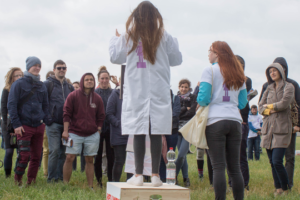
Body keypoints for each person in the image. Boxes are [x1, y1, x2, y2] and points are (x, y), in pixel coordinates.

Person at [109, 1, 182, 187]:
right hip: (158, 88)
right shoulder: (164, 36)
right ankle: (156, 175)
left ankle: (139, 174)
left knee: (138, 130)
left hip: (137, 88)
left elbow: (114, 56)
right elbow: (176, 59)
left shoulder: (129, 36)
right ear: (155, 16)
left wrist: (115, 38)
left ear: (136, 16)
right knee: (156, 130)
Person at [197, 41, 247, 200]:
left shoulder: (209, 70)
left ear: (217, 54)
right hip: (234, 120)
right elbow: (242, 102)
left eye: (210, 51)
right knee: (235, 168)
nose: (208, 54)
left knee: (218, 167)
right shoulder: (239, 73)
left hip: (215, 120)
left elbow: (203, 99)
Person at [258, 57, 300, 189]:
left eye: (276, 69)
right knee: (273, 161)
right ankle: (279, 188)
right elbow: (260, 107)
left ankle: (288, 186)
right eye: (271, 70)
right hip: (269, 128)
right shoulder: (267, 87)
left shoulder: (292, 85)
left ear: (283, 70)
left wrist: (298, 125)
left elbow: (290, 104)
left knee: (288, 158)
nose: (273, 72)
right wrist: (268, 110)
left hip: (287, 126)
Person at [8, 56, 50, 185]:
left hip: (39, 125)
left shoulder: (42, 85)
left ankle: (30, 182)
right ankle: (18, 181)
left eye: (39, 66)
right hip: (24, 126)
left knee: (36, 157)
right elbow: (11, 105)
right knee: (24, 156)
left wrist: (46, 121)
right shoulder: (18, 84)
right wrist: (16, 125)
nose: (37, 68)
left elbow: (46, 105)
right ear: (28, 67)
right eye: (35, 65)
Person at [62, 73, 105, 189]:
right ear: (82, 81)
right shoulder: (73, 95)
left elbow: (101, 116)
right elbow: (66, 114)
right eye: (87, 80)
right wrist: (65, 131)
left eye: (91, 80)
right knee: (70, 157)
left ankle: (90, 186)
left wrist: (99, 130)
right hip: (74, 132)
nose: (89, 81)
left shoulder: (97, 98)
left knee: (89, 159)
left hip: (92, 134)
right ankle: (65, 185)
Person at [44, 60, 74, 183]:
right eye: (59, 67)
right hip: (53, 124)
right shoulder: (47, 84)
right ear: (54, 69)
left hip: (66, 124)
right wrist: (47, 119)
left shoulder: (70, 87)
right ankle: (51, 179)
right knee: (54, 151)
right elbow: (43, 102)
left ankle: (60, 177)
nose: (61, 69)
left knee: (63, 152)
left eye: (64, 67)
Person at [228, 55, 251, 190]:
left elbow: (242, 101)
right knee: (229, 156)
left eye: (239, 64)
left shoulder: (245, 80)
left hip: (241, 120)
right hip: (230, 118)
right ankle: (231, 183)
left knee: (240, 155)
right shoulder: (226, 79)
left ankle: (244, 184)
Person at [94, 66, 114, 187]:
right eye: (102, 78)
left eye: (107, 78)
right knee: (98, 155)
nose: (105, 80)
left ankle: (111, 179)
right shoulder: (94, 94)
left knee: (111, 156)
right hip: (98, 129)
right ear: (99, 79)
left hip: (111, 129)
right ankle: (99, 181)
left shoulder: (113, 93)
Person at [1, 67, 23, 178]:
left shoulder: (24, 90)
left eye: (20, 75)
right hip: (8, 125)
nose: (19, 77)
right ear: (11, 77)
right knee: (9, 151)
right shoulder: (6, 90)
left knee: (22, 152)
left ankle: (17, 172)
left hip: (21, 124)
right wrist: (8, 128)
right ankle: (7, 175)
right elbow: (4, 110)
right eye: (16, 75)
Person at [106, 81, 129, 182]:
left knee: (132, 162)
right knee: (119, 160)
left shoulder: (135, 93)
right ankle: (115, 184)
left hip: (132, 134)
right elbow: (109, 114)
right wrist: (119, 124)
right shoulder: (115, 94)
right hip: (119, 134)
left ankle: (131, 184)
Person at [176, 79, 197, 187]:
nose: (183, 89)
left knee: (180, 155)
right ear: (179, 87)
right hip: (177, 130)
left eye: (186, 87)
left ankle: (173, 176)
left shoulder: (193, 97)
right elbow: (176, 113)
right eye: (182, 87)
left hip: (188, 129)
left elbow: (192, 112)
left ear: (189, 88)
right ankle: (186, 178)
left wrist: (182, 111)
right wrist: (185, 109)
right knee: (182, 156)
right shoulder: (176, 98)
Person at [159, 89, 181, 182]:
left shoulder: (175, 98)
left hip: (172, 131)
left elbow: (175, 114)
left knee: (170, 157)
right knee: (160, 156)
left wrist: (162, 119)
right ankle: (162, 178)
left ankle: (171, 178)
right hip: (160, 131)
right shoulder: (158, 97)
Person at [42, 71, 55, 178]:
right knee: (46, 149)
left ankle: (55, 172)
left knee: (56, 150)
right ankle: (46, 172)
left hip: (56, 121)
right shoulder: (45, 87)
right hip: (47, 122)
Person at [71, 81, 86, 172]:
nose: (75, 89)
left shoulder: (83, 99)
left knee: (84, 150)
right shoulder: (71, 99)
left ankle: (83, 169)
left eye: (77, 87)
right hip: (74, 128)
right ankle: (73, 168)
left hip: (84, 128)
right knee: (72, 150)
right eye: (74, 87)